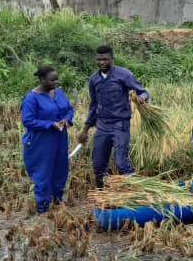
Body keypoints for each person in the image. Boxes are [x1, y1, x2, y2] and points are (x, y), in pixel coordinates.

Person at [78, 46, 149, 187]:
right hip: (102, 125)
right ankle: (102, 195)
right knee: (98, 164)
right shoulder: (93, 79)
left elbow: (143, 92)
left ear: (112, 59)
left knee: (121, 163)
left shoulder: (124, 74)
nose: (102, 62)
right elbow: (93, 105)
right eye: (99, 59)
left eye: (105, 59)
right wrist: (85, 130)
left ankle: (135, 192)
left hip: (120, 124)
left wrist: (142, 98)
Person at [20, 66, 74, 213]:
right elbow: (27, 120)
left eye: (57, 79)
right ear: (42, 79)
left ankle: (57, 199)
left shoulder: (58, 92)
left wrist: (66, 120)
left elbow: (69, 108)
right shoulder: (31, 98)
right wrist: (50, 124)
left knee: (60, 169)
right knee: (42, 172)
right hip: (41, 140)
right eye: (52, 80)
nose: (56, 82)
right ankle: (43, 206)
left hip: (60, 137)